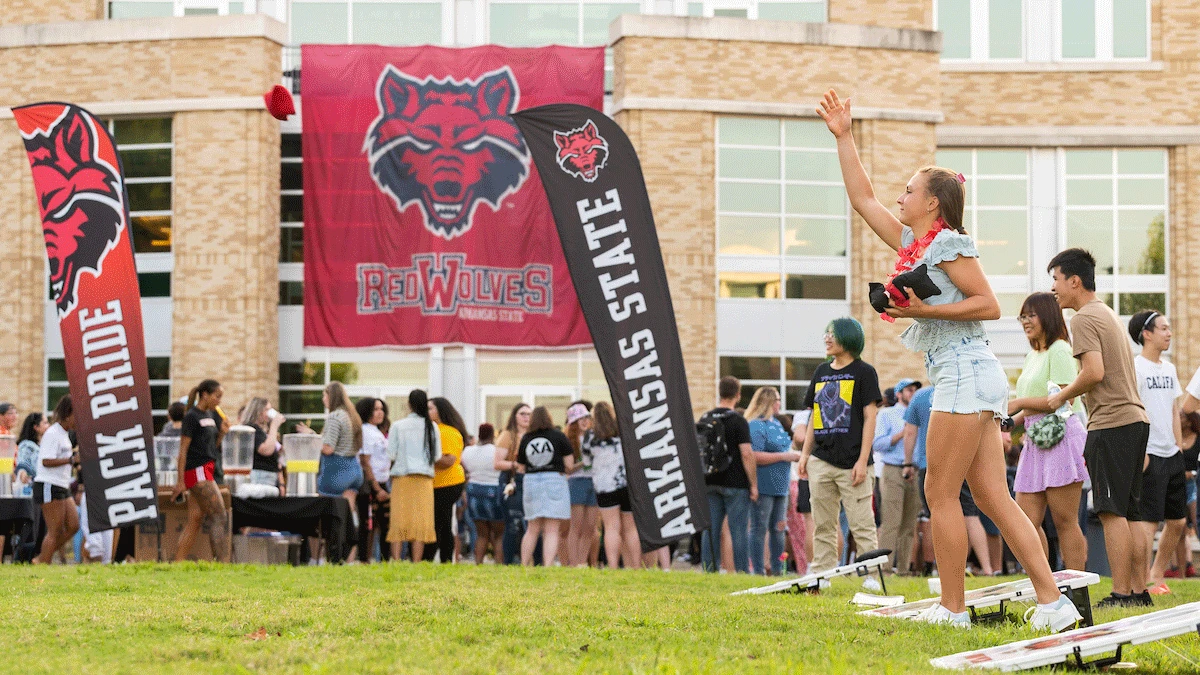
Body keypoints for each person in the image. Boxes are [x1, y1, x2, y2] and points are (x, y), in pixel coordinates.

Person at [819, 89, 1078, 631]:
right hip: (969, 374)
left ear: (932, 203)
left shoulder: (948, 245)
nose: (900, 196)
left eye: (909, 190)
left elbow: (988, 304)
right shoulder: (915, 246)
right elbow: (863, 200)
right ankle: (1053, 604)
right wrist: (845, 137)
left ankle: (953, 610)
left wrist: (919, 308)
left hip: (964, 373)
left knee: (939, 491)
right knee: (992, 497)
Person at [1046, 248, 1152, 608]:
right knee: (1131, 512)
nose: (1054, 289)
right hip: (1135, 421)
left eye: (1056, 281)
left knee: (1111, 512)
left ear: (1075, 281)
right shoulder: (1106, 313)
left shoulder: (1083, 319)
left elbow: (1093, 373)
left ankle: (1121, 593)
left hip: (1111, 423)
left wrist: (1063, 395)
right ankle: (1139, 592)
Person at [1007, 292, 1089, 572]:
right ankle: (1046, 584)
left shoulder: (1060, 350)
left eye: (1032, 315)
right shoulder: (1033, 354)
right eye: (1023, 316)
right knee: (1025, 521)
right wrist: (1012, 420)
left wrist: (1018, 403)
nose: (1026, 321)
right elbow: (1035, 404)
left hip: (1061, 439)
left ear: (1048, 316)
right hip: (1035, 440)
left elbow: (1064, 399)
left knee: (1065, 520)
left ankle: (1077, 587)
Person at [796, 317, 882, 577]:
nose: (827, 338)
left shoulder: (864, 372)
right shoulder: (821, 372)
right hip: (820, 460)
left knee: (862, 524)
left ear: (849, 338)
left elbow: (870, 417)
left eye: (833, 333)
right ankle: (821, 576)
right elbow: (815, 416)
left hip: (854, 461)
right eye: (826, 333)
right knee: (823, 524)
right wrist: (805, 455)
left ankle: (871, 577)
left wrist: (862, 460)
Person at [1127, 310, 1187, 595]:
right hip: (1149, 453)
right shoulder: (1136, 367)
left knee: (1178, 521)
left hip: (1172, 454)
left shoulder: (1170, 368)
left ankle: (1156, 575)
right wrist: (1140, 451)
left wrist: (1179, 448)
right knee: (1148, 523)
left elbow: (1175, 410)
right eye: (1163, 328)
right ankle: (1142, 583)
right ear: (1146, 334)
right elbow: (1134, 411)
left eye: (1169, 328)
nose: (1169, 333)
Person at [701, 376, 757, 573]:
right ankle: (742, 571)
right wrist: (754, 484)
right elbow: (747, 453)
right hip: (736, 483)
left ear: (720, 392)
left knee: (711, 531)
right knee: (738, 531)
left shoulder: (706, 418)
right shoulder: (738, 421)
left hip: (710, 481)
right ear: (738, 395)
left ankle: (709, 571)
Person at [173, 380, 230, 562]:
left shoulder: (211, 415)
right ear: (205, 394)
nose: (219, 401)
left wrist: (221, 433)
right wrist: (180, 481)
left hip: (207, 469)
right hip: (197, 471)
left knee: (195, 519)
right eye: (217, 396)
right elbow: (182, 451)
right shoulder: (191, 416)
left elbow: (211, 447)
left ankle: (178, 563)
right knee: (219, 515)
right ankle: (221, 564)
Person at [745, 387, 801, 576]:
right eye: (777, 399)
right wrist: (784, 456)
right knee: (759, 528)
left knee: (779, 529)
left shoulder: (776, 424)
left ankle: (778, 570)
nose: (780, 403)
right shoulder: (756, 425)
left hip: (781, 486)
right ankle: (758, 570)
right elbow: (754, 456)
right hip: (764, 485)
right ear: (768, 401)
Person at [873, 378, 923, 575]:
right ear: (899, 394)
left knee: (910, 524)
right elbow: (877, 444)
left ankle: (903, 569)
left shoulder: (920, 414)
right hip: (893, 468)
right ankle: (884, 568)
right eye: (908, 390)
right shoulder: (887, 414)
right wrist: (903, 433)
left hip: (915, 470)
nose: (912, 393)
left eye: (915, 390)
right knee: (891, 521)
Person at [516, 406, 575, 566]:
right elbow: (569, 464)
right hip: (554, 480)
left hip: (531, 481)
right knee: (552, 529)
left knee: (532, 528)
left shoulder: (527, 437)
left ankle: (524, 564)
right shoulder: (558, 435)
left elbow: (520, 466)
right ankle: (547, 565)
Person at [387, 389, 440, 561]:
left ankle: (396, 560)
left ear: (409, 404)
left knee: (399, 521)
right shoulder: (432, 427)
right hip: (424, 480)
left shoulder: (397, 425)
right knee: (420, 522)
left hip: (401, 478)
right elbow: (437, 456)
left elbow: (391, 454)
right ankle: (416, 561)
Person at [587, 401, 640, 569]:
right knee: (631, 529)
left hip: (605, 486)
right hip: (627, 483)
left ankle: (613, 566)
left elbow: (587, 461)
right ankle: (636, 566)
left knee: (611, 528)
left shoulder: (591, 436)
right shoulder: (624, 431)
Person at [34, 396, 77, 564]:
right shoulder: (53, 433)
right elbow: (46, 460)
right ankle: (43, 562)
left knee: (73, 525)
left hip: (62, 484)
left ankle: (42, 557)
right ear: (67, 415)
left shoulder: (65, 434)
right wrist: (71, 460)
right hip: (49, 484)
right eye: (76, 415)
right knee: (55, 530)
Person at [424, 397, 468, 563]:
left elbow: (448, 460)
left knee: (439, 523)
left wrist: (424, 458)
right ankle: (443, 559)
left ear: (440, 411)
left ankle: (432, 558)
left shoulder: (446, 431)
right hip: (441, 482)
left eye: (430, 408)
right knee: (442, 522)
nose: (427, 412)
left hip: (448, 482)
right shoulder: (437, 430)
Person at [317, 382, 365, 521]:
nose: (323, 399)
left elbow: (328, 448)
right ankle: (350, 542)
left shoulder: (334, 417)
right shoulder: (351, 416)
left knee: (326, 518)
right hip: (353, 470)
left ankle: (330, 543)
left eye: (324, 395)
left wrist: (312, 441)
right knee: (348, 518)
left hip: (335, 471)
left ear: (331, 396)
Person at [903, 385, 936, 576]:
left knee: (934, 516)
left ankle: (930, 567)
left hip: (928, 463)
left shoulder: (921, 396)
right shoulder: (963, 388)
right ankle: (984, 568)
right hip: (960, 462)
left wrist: (908, 463)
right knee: (966, 515)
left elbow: (910, 432)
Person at [355, 397, 392, 563]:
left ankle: (384, 560)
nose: (380, 413)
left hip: (383, 482)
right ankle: (364, 560)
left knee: (385, 525)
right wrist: (377, 488)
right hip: (370, 485)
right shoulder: (365, 431)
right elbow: (365, 461)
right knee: (368, 525)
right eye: (376, 409)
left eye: (381, 409)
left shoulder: (377, 432)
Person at [462, 423, 504, 564]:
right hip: (493, 490)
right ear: (493, 435)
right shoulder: (496, 451)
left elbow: (464, 468)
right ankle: (499, 564)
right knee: (498, 534)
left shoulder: (468, 451)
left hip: (473, 490)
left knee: (481, 533)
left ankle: (478, 563)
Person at [495, 403, 531, 565]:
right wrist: (516, 465)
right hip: (512, 482)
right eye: (522, 413)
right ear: (514, 416)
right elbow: (497, 463)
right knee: (513, 525)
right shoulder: (508, 435)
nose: (526, 417)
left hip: (532, 481)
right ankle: (509, 562)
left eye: (529, 414)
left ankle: (531, 561)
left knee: (531, 525)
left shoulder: (534, 435)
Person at [564, 402, 599, 567]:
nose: (584, 421)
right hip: (577, 482)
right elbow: (568, 469)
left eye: (586, 417)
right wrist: (583, 463)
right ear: (573, 422)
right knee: (576, 526)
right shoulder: (570, 441)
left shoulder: (595, 437)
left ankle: (582, 562)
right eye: (580, 419)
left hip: (595, 481)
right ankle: (574, 562)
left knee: (591, 527)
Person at [242, 397, 285, 491]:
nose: (269, 413)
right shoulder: (252, 429)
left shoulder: (260, 431)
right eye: (267, 410)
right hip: (261, 476)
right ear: (258, 411)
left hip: (267, 475)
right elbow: (266, 450)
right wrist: (274, 425)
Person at [15, 412, 47, 498]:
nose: (48, 426)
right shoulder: (27, 445)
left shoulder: (42, 445)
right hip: (30, 492)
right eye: (45, 423)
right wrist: (22, 472)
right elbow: (23, 462)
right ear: (36, 427)